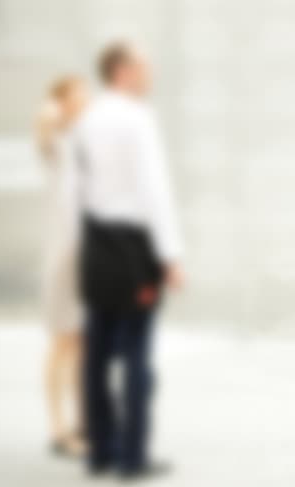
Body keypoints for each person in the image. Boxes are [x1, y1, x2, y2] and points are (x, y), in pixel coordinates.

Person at [70, 41, 184, 479]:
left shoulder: (88, 119)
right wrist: (170, 255)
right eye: (142, 66)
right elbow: (153, 191)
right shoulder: (136, 119)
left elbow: (75, 188)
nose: (148, 74)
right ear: (121, 71)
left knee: (97, 352)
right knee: (136, 354)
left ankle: (101, 449)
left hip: (96, 243)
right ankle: (132, 457)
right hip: (134, 247)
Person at [35, 75, 89, 458]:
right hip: (61, 259)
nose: (85, 99)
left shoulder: (83, 143)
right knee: (62, 342)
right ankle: (58, 427)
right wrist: (54, 107)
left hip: (86, 259)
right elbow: (44, 123)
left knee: (82, 345)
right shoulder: (56, 141)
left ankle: (81, 425)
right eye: (78, 94)